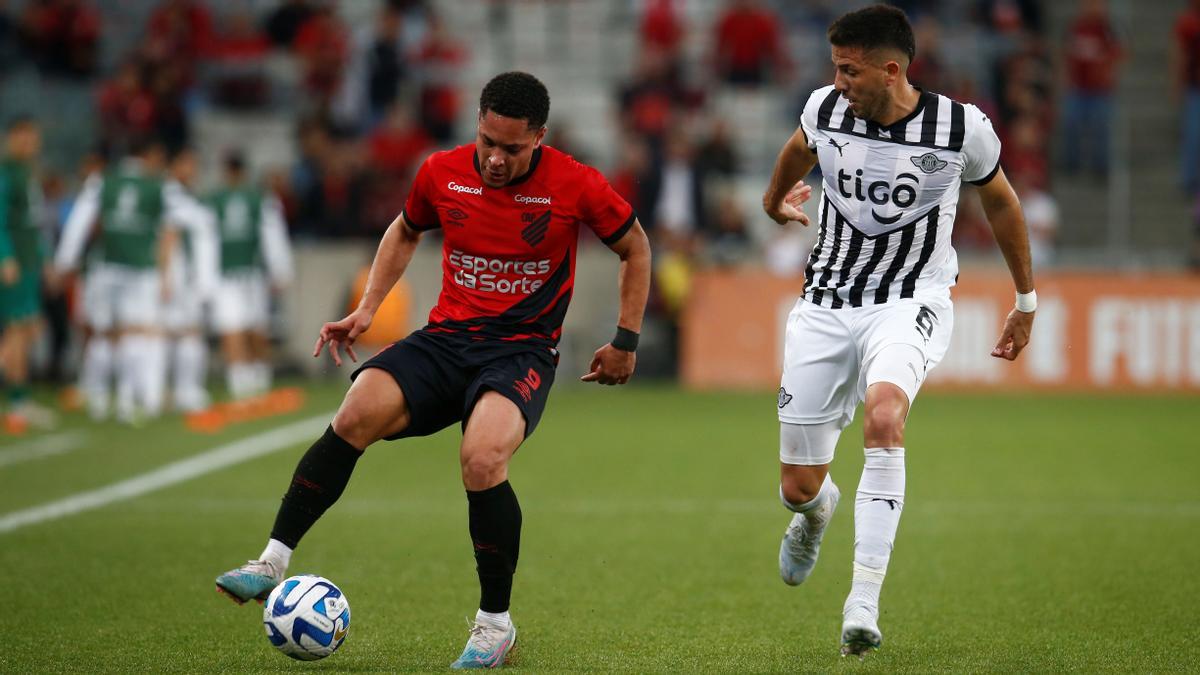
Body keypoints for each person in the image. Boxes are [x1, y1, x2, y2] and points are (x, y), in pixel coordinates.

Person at [214, 72, 652, 670]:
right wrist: (367, 309)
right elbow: (405, 230)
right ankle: (270, 561)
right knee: (355, 412)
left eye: (512, 148)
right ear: (477, 123)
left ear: (539, 138)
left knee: (482, 459)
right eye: (486, 142)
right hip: (446, 340)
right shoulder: (440, 171)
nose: (495, 159)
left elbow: (636, 247)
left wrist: (625, 340)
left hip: (519, 350)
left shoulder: (574, 184)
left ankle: (495, 626)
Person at [761, 5, 1035, 656]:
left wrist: (1026, 298)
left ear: (891, 70)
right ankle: (816, 511)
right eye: (834, 67)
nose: (838, 80)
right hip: (825, 303)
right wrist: (775, 198)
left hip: (911, 297)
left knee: (886, 415)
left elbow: (1000, 200)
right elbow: (799, 149)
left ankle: (863, 599)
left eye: (849, 69)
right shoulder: (825, 107)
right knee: (797, 486)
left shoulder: (960, 129)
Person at [55, 138, 209, 423]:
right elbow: (198, 219)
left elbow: (78, 223)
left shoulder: (102, 181)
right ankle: (128, 401)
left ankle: (98, 399)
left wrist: (65, 261)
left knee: (103, 334)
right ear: (150, 155)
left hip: (105, 269)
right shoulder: (160, 186)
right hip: (141, 270)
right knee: (135, 333)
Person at [206, 151, 293, 401]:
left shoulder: (215, 200)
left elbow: (208, 242)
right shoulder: (260, 199)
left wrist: (206, 278)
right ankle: (256, 377)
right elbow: (273, 237)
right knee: (251, 325)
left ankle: (242, 380)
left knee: (235, 325)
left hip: (229, 272)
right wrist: (280, 269)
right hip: (252, 272)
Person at [0, 117, 55, 433]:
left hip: (29, 262)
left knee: (25, 329)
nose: (31, 143)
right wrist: (5, 256)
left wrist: (45, 259)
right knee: (18, 330)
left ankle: (20, 402)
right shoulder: (7, 173)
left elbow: (34, 224)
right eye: (25, 137)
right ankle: (19, 402)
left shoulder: (28, 173)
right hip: (14, 263)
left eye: (33, 138)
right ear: (13, 138)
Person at [163, 147, 218, 412]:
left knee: (189, 334)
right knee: (182, 333)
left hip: (192, 277)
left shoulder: (188, 198)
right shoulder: (169, 197)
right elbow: (169, 237)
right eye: (188, 163)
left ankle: (185, 389)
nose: (193, 170)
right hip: (179, 277)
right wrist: (168, 277)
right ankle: (179, 390)